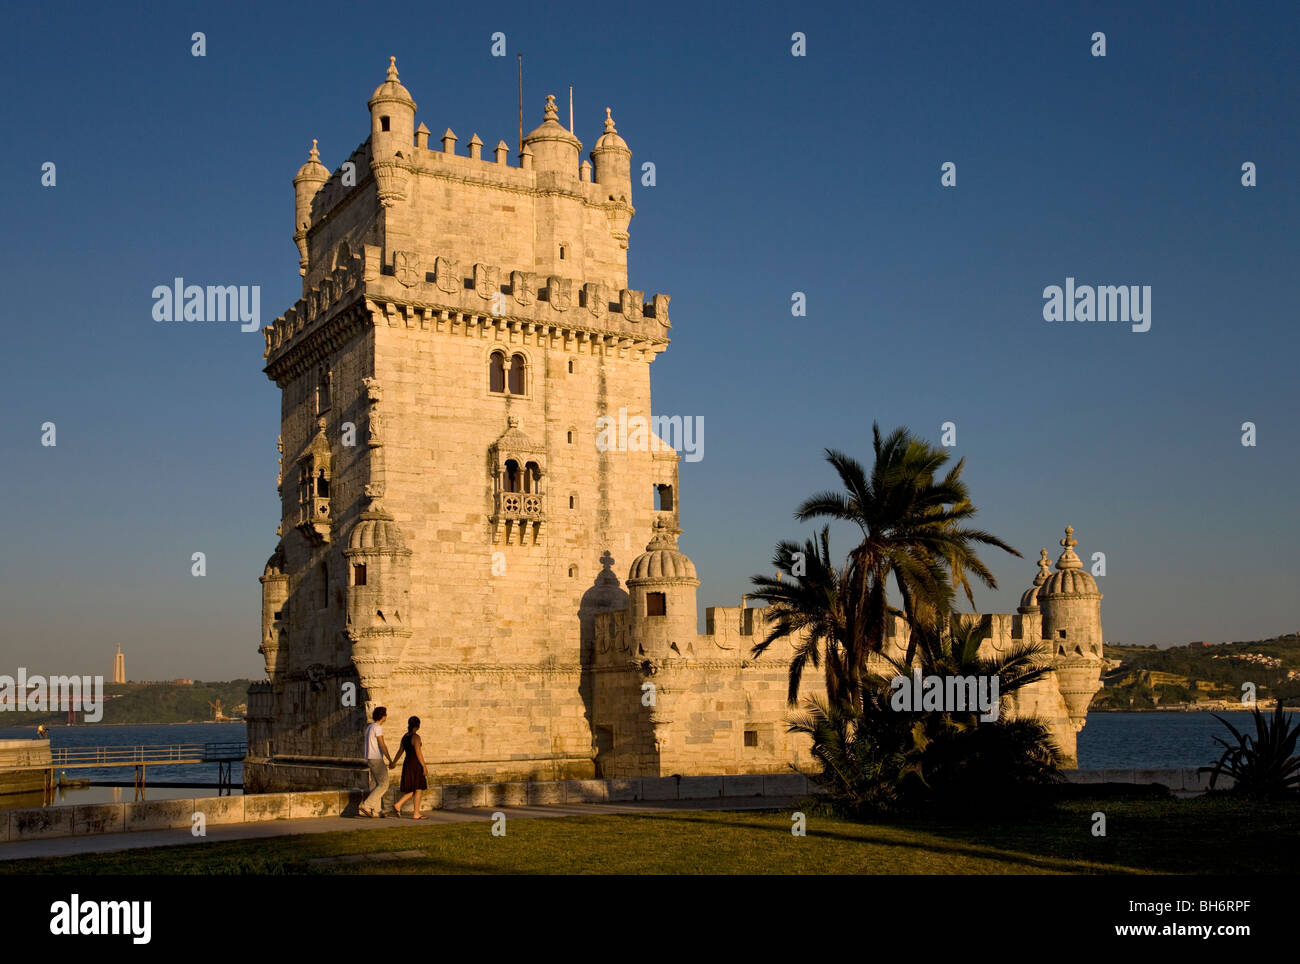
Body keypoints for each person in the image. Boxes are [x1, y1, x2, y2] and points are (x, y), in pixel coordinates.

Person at [391, 716, 428, 819]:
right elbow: (418, 753)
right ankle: (416, 813)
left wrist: (394, 762)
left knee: (413, 788)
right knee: (418, 788)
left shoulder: (405, 736)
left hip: (407, 764)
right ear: (418, 725)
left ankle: (398, 805)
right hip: (415, 764)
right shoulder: (416, 737)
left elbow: (400, 751)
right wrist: (424, 766)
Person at [359, 706, 393, 818]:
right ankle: (367, 805)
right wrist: (390, 759)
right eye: (386, 715)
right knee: (384, 783)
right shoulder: (377, 727)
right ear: (383, 716)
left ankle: (376, 810)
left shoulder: (369, 727)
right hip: (376, 759)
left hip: (369, 758)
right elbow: (382, 744)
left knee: (375, 785)